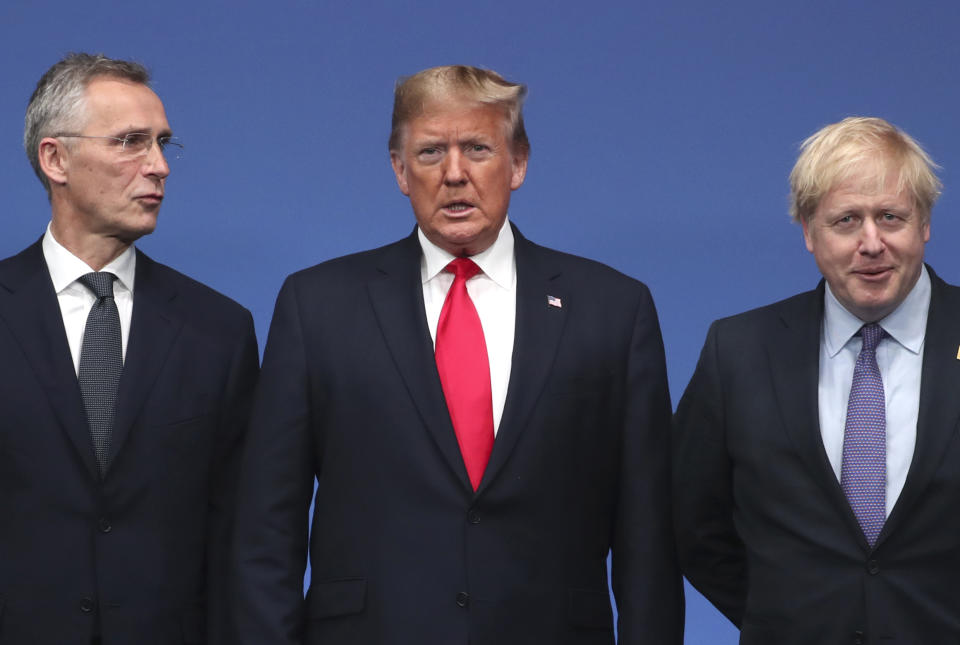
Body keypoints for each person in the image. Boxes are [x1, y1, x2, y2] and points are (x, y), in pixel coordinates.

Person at [233, 64, 682, 644]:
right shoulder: (316, 305)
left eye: (477, 148)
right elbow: (267, 527)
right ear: (398, 169)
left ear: (518, 162)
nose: (454, 174)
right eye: (428, 153)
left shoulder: (614, 310)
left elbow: (648, 537)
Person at [2, 53, 259, 645]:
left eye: (163, 144)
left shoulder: (219, 330)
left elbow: (240, 536)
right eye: (130, 142)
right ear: (55, 158)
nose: (160, 166)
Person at [673, 116, 959, 643]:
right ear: (808, 231)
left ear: (924, 224)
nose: (871, 243)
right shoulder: (738, 352)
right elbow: (693, 527)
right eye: (847, 220)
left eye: (891, 217)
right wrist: (785, 617)